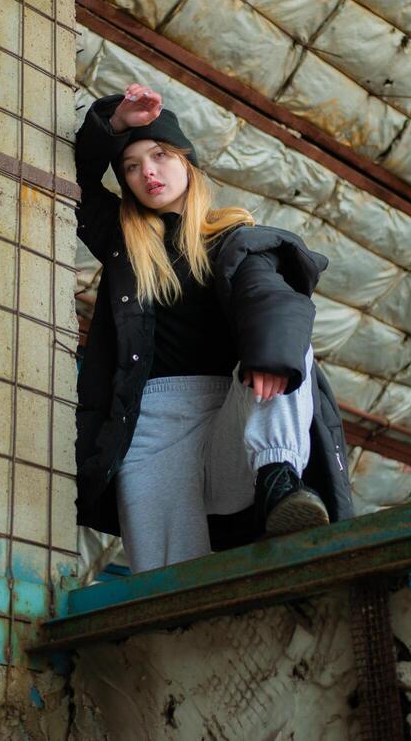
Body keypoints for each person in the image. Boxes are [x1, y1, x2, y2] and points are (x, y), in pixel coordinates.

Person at [74, 84, 353, 574]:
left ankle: (278, 478)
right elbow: (75, 177)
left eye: (159, 155)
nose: (147, 173)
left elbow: (270, 298)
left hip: (231, 415)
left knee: (283, 348)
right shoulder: (123, 241)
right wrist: (113, 124)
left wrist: (269, 358)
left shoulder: (235, 240)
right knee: (164, 579)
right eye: (132, 167)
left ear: (187, 161)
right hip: (149, 429)